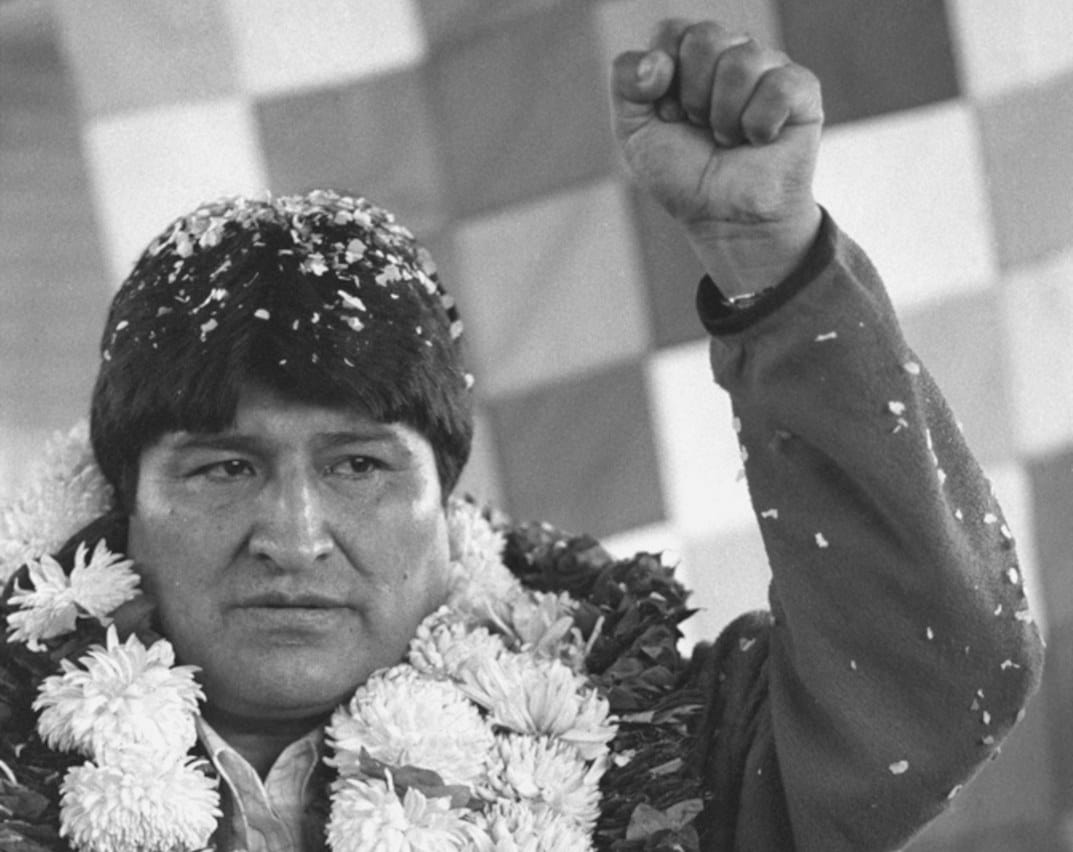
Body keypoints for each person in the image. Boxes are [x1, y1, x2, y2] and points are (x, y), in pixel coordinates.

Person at [0, 19, 1043, 852]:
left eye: (357, 463)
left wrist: (775, 268)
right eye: (224, 466)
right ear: (122, 503)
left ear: (446, 505)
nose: (294, 533)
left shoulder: (657, 758)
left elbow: (936, 668)